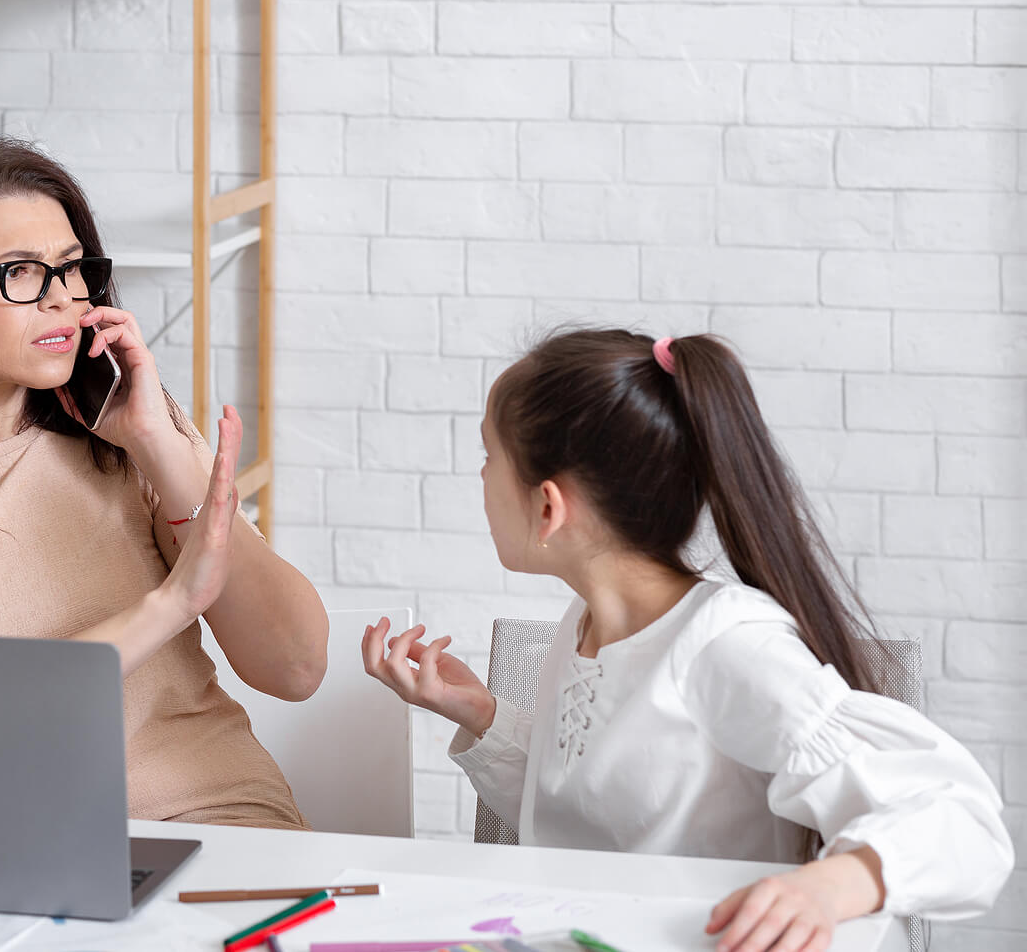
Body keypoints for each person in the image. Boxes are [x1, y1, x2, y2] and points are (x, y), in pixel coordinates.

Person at [363, 329, 1012, 951]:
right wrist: (480, 714)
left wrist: (828, 886)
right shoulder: (584, 625)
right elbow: (586, 825)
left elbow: (961, 818)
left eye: (488, 456)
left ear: (549, 507)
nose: (480, 477)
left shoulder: (725, 644)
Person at [0, 137, 327, 831]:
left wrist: (158, 445)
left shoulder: (136, 438)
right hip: (1, 842)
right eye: (20, 272)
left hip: (213, 818)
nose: (64, 300)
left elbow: (295, 666)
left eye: (72, 269)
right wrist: (171, 604)